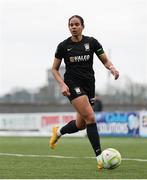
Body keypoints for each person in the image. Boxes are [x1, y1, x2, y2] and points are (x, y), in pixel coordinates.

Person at [49, 15, 119, 170]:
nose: (73, 27)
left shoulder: (92, 42)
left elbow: (105, 61)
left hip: (89, 86)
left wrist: (112, 68)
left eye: (76, 24)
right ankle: (100, 158)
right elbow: (54, 69)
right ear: (69, 27)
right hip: (72, 85)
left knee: (81, 125)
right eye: (70, 25)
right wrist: (62, 84)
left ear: (82, 26)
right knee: (91, 117)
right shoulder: (63, 46)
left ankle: (58, 131)